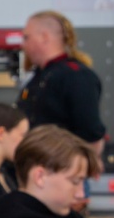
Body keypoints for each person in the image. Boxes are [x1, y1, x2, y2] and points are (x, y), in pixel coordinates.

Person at [16, 9, 106, 161]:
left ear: (44, 37)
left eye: (27, 37)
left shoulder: (76, 76)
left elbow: (92, 136)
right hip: (37, 165)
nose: (23, 44)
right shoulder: (39, 77)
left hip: (60, 168)